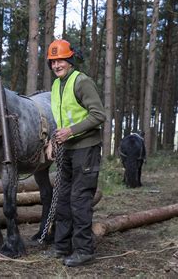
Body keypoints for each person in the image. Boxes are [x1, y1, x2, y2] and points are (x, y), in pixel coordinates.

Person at [45, 39, 106, 267]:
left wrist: (71, 131)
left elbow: (99, 115)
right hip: (67, 150)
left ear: (69, 60)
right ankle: (62, 246)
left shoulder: (82, 82)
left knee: (79, 200)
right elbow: (59, 119)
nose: (56, 65)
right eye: (53, 61)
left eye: (60, 59)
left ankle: (84, 250)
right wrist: (53, 140)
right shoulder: (56, 85)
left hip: (85, 149)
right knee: (61, 199)